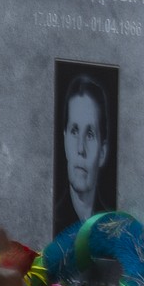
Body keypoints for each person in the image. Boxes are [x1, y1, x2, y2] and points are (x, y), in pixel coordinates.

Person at [53, 74, 113, 234]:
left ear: (102, 152)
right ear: (65, 140)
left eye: (90, 134)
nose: (81, 148)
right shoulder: (51, 221)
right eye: (74, 131)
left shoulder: (114, 230)